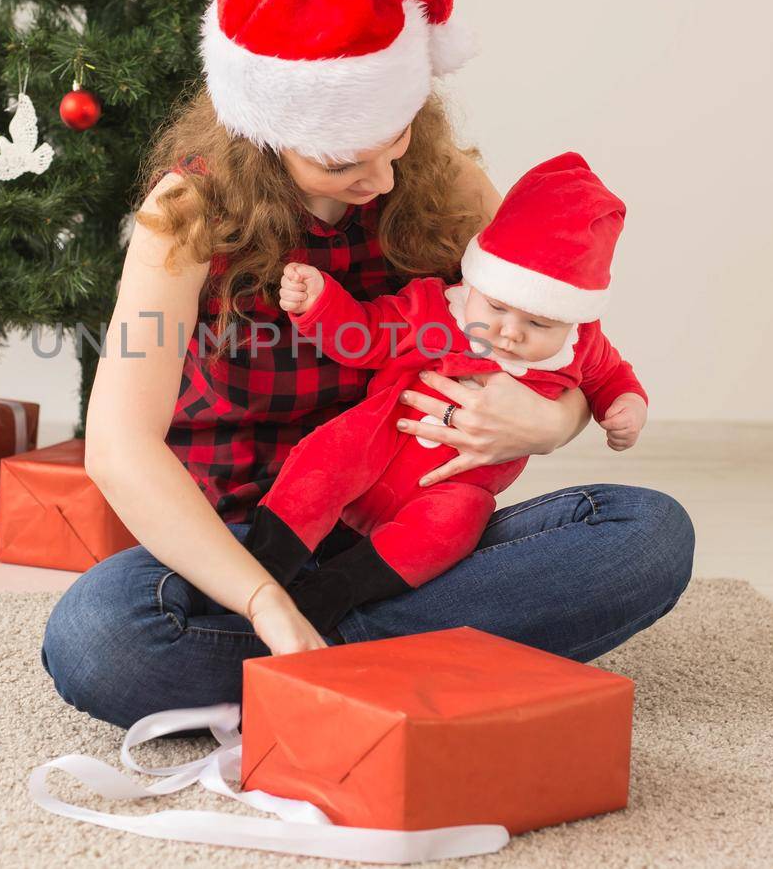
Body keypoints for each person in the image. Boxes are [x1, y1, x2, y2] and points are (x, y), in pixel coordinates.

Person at [41, 0, 694, 729]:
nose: (380, 178)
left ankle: (324, 661)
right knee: (99, 636)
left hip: (412, 532)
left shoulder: (444, 180)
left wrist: (552, 422)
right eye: (343, 160)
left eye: (394, 140)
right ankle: (386, 656)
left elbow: (559, 338)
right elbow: (118, 445)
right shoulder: (187, 213)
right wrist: (264, 600)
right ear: (266, 130)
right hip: (252, 539)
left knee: (647, 535)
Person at [242, 152, 650, 637]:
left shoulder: (579, 347)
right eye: (497, 306)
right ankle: (261, 569)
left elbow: (611, 377)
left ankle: (338, 593)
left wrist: (627, 407)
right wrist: (320, 303)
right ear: (476, 280)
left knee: (455, 525)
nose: (510, 333)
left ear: (572, 319)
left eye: (539, 322)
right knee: (327, 459)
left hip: (457, 485)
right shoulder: (438, 309)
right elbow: (364, 335)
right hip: (381, 441)